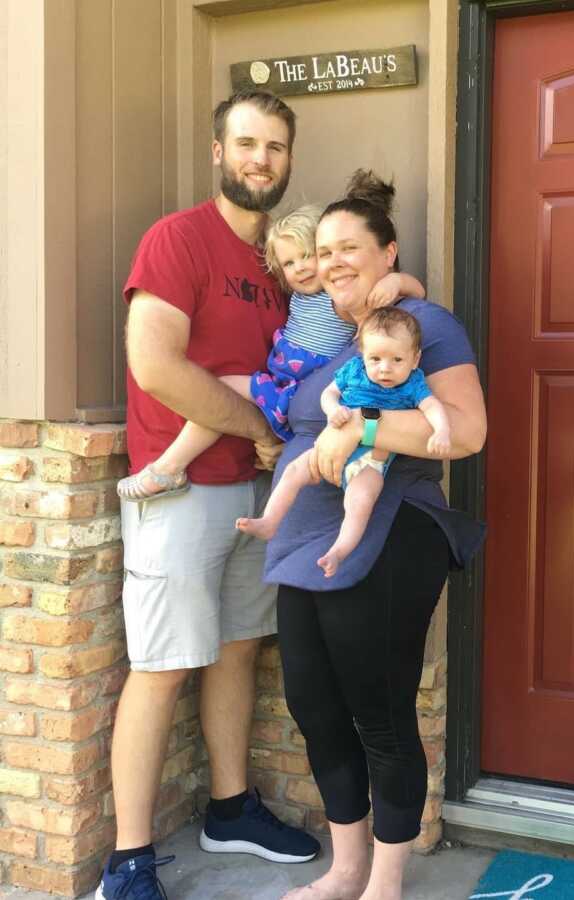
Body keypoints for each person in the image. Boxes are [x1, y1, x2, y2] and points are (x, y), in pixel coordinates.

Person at [97, 91, 321, 900]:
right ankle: (126, 862)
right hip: (181, 487)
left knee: (235, 650)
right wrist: (254, 426)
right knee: (161, 665)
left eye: (276, 145)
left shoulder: (278, 266)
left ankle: (229, 808)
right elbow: (154, 366)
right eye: (247, 143)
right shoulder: (178, 239)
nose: (261, 157)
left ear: (289, 160)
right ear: (218, 152)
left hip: (251, 493)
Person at [266, 170, 487, 900]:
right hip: (303, 543)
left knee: (379, 713)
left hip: (390, 532)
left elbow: (466, 431)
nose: (332, 260)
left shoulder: (427, 326)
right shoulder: (333, 332)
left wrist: (361, 426)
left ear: (387, 254)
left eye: (349, 247)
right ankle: (346, 869)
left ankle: (384, 884)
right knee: (314, 705)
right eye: (323, 249)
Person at [116, 205, 424, 502]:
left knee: (225, 394)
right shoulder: (295, 296)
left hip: (297, 389)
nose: (300, 268)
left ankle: (168, 468)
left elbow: (414, 292)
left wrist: (396, 280)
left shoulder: (340, 298)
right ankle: (170, 466)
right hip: (275, 379)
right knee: (216, 393)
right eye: (289, 264)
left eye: (308, 256)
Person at [237, 307, 452, 579]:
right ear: (362, 354)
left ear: (415, 359)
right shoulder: (354, 371)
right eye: (375, 358)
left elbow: (432, 406)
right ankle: (269, 521)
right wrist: (332, 409)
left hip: (369, 462)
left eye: (397, 359)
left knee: (360, 502)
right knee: (293, 472)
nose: (385, 368)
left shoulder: (412, 384)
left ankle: (339, 551)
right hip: (326, 450)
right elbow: (329, 393)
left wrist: (441, 431)